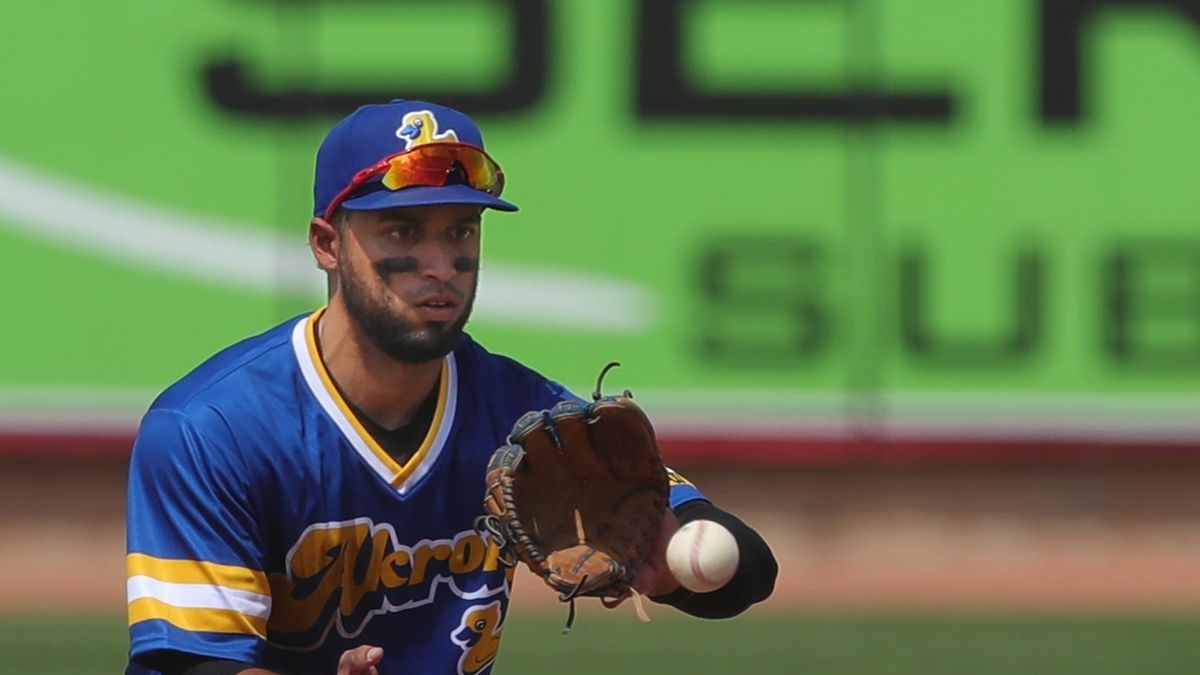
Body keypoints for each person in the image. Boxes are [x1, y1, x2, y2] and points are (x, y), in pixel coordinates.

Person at [125, 99, 777, 675]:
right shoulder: (213, 429)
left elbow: (745, 567)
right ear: (327, 244)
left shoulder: (524, 417)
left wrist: (677, 565)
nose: (440, 265)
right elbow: (195, 663)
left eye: (460, 229)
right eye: (403, 229)